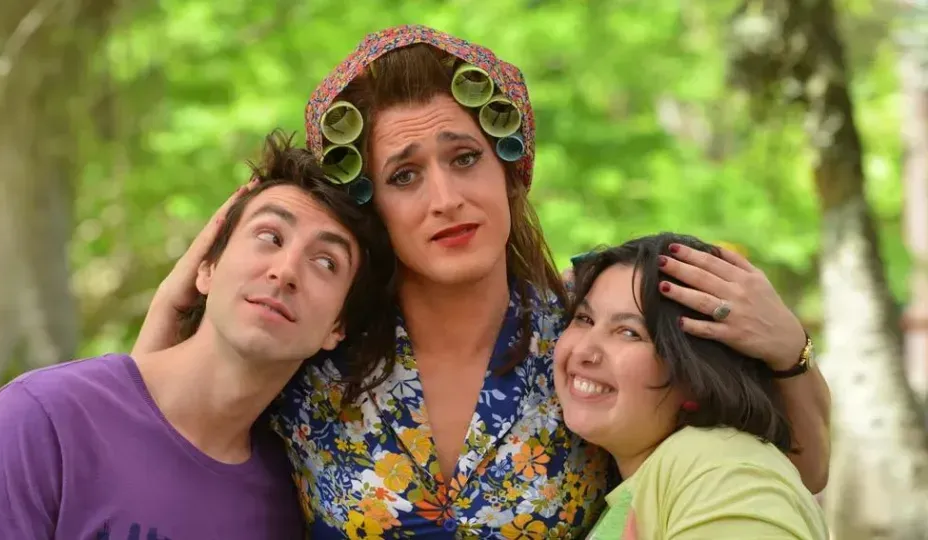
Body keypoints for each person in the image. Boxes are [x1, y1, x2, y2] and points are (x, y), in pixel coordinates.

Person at [132, 25, 832, 537]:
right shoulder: (317, 349)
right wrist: (177, 296)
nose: (446, 199)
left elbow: (787, 476)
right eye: (405, 175)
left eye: (464, 158)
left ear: (510, 174)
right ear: (373, 208)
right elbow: (157, 433)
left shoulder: (587, 346)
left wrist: (789, 353)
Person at [0, 131, 395, 540]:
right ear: (206, 267)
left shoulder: (286, 503)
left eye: (326, 262)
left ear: (337, 327)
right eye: (269, 236)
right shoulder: (41, 419)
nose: (284, 272)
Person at [556, 233, 828, 539]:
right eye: (583, 318)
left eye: (629, 333)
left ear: (699, 374)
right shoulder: (659, 477)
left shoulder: (721, 472)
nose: (584, 351)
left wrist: (792, 348)